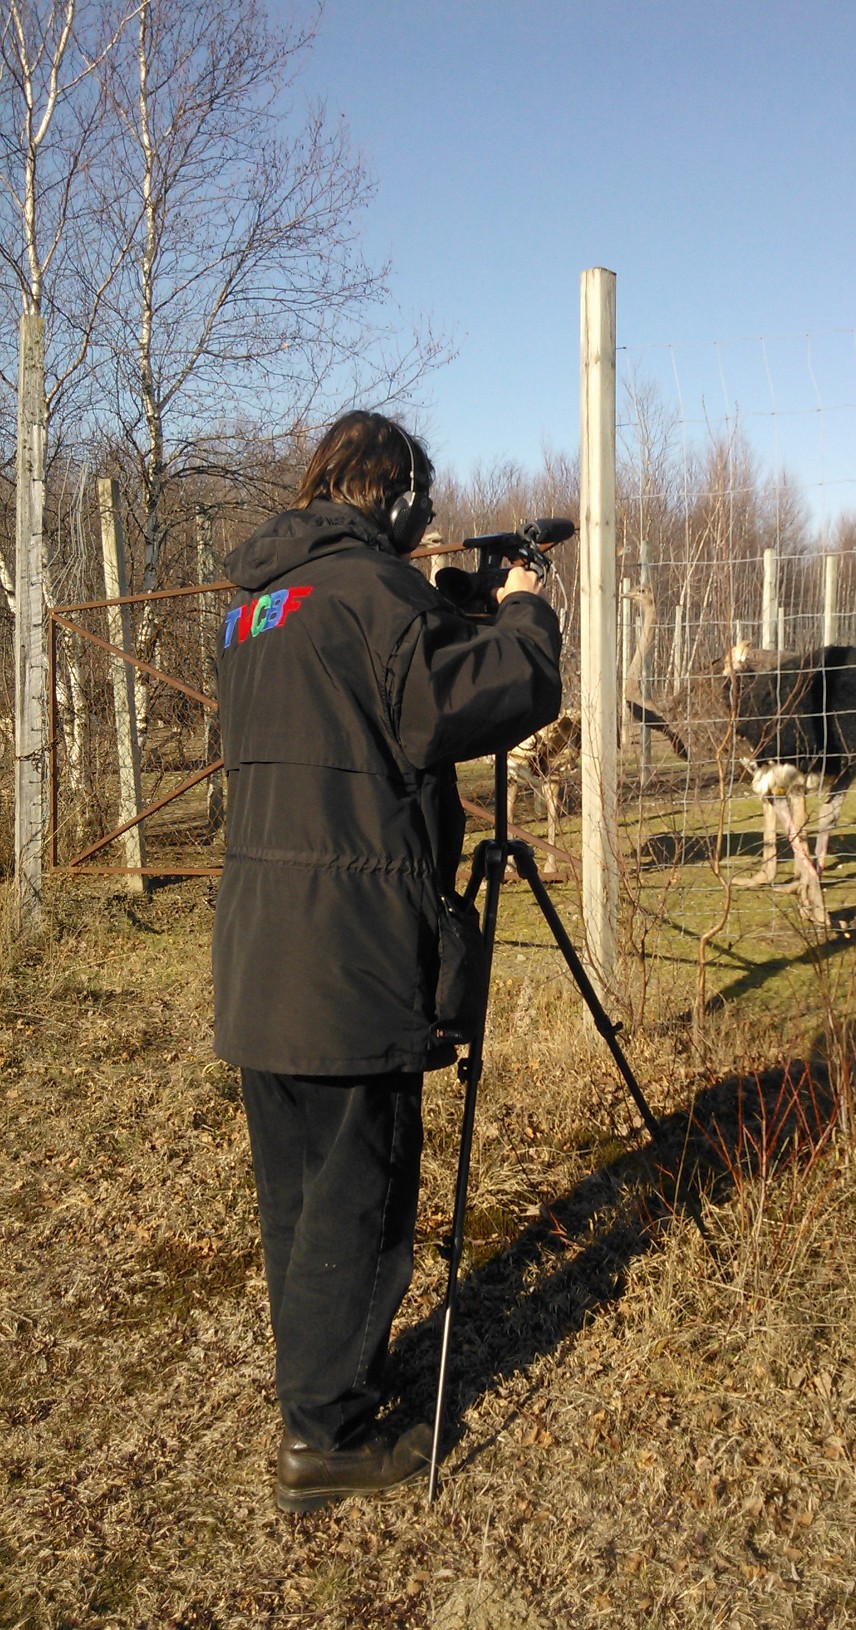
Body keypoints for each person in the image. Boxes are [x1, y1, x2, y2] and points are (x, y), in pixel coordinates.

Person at [211, 410, 562, 1513]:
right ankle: (328, 1439)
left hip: (265, 945)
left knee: (300, 1198)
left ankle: (329, 1384)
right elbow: (478, 695)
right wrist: (525, 612)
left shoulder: (264, 605)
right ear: (401, 497)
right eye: (420, 508)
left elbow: (368, 684)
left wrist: (452, 600)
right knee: (360, 1199)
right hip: (349, 955)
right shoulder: (372, 598)